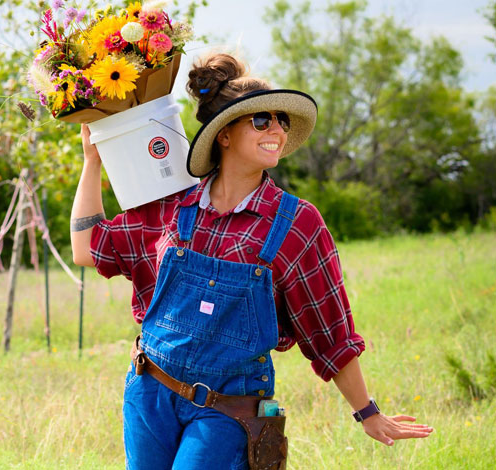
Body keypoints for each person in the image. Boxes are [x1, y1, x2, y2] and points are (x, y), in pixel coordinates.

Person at [70, 53, 433, 470]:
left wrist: (367, 413)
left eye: (280, 120)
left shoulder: (297, 223)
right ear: (224, 134)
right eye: (261, 120)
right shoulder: (174, 206)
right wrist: (92, 161)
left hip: (228, 409)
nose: (276, 129)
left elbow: (330, 331)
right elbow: (88, 247)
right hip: (149, 392)